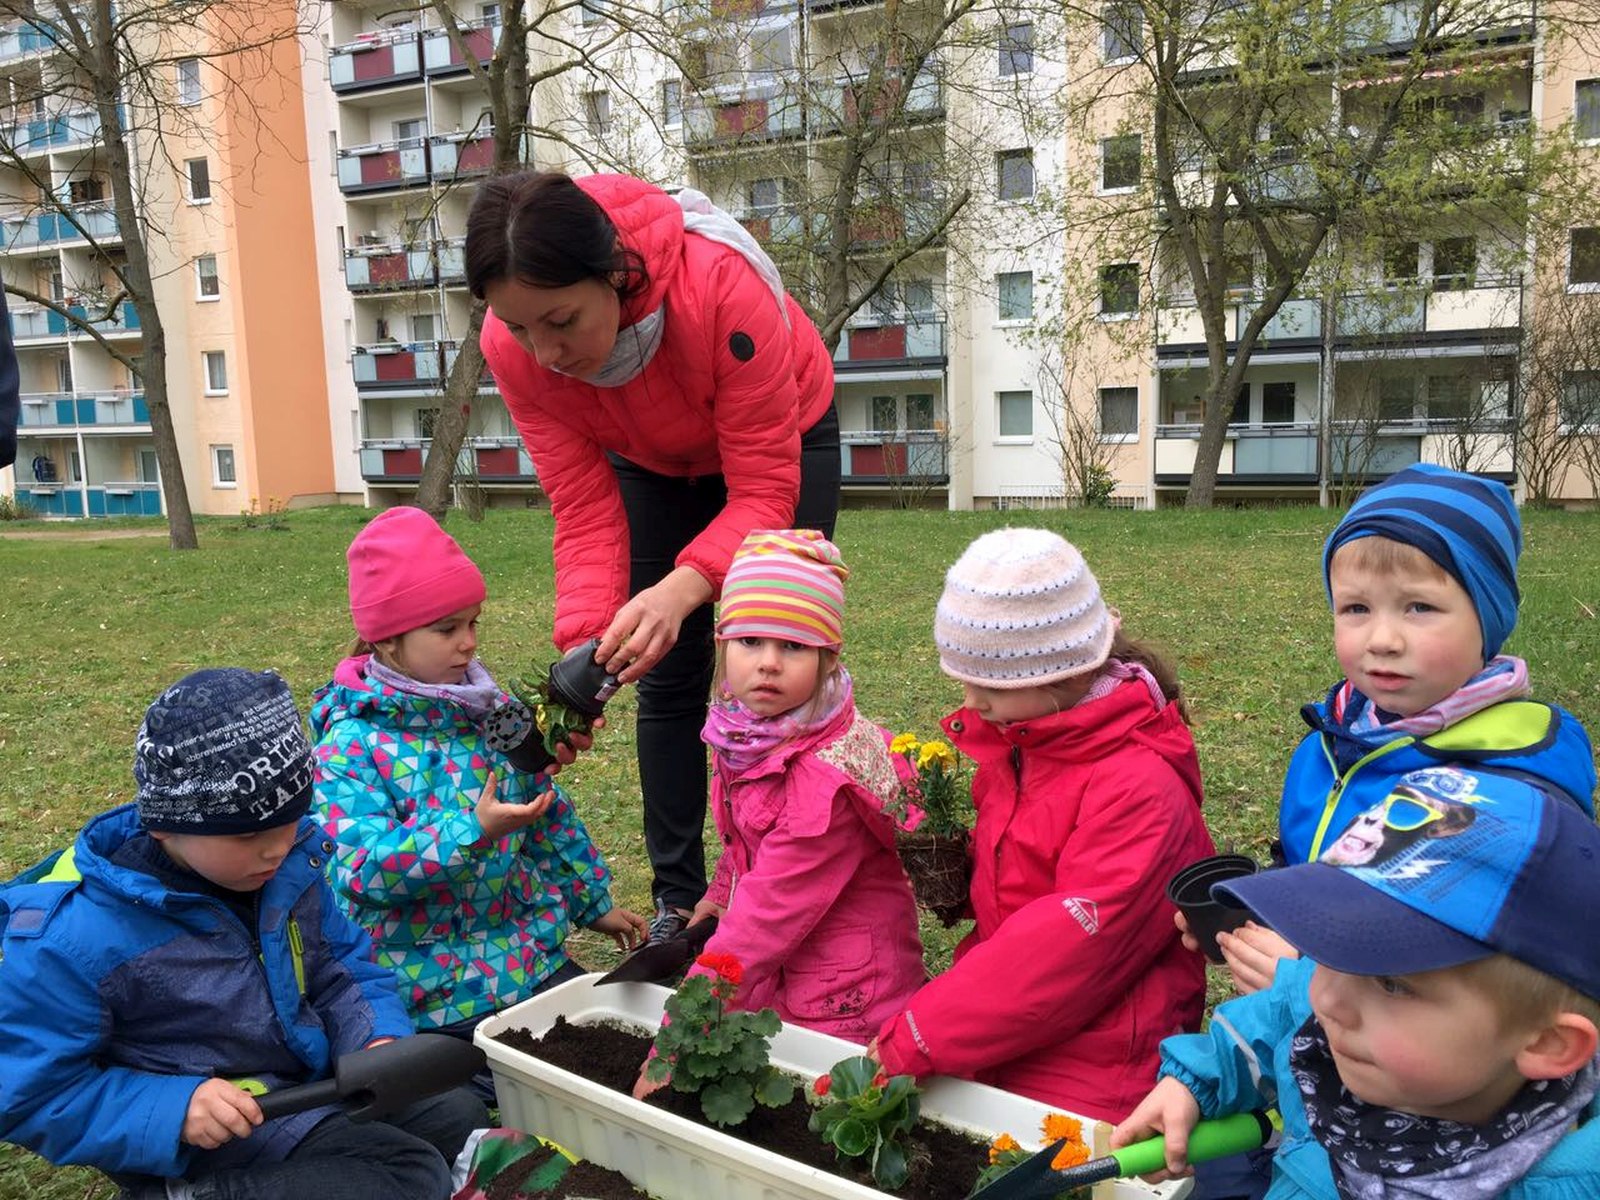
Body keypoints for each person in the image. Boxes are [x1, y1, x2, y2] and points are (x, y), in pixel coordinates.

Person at [465, 171, 840, 945]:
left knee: (779, 662)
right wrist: (587, 652)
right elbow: (584, 505)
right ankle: (682, 902)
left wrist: (683, 588)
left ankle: (784, 884)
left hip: (783, 441)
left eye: (560, 320)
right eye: (520, 327)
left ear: (614, 274)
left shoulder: (721, 289)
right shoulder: (515, 349)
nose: (544, 351)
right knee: (664, 677)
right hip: (653, 460)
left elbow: (765, 492)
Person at [0, 668, 487, 1200]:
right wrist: (173, 1111)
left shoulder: (288, 870)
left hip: (310, 1084)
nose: (277, 848)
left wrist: (375, 1040)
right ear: (164, 824)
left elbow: (341, 968)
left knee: (456, 1114)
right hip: (215, 1130)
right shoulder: (73, 938)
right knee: (407, 1174)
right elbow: (32, 1093)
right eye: (250, 834)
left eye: (293, 819)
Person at [1115, 765, 1600, 1199]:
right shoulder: (1331, 1021)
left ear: (1548, 1043)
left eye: (1391, 984)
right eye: (1331, 953)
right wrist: (1192, 1085)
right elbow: (1271, 1015)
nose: (1326, 1000)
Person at [870, 528, 1217, 1122]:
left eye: (989, 684)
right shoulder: (1024, 744)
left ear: (1056, 677)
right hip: (1019, 1022)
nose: (970, 701)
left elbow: (1065, 950)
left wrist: (919, 1036)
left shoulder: (1138, 787)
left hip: (1107, 1054)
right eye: (964, 678)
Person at [1212, 465, 1596, 999]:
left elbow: (1477, 996)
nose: (1383, 639)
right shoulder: (1332, 740)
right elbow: (1305, 860)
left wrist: (1304, 980)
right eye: (1356, 608)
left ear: (1488, 618)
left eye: (1419, 607)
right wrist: (1255, 908)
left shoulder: (1503, 789)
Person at [310, 507, 646, 1084]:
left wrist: (593, 904)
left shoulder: (490, 717)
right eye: (446, 629)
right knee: (467, 1104)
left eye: (474, 623)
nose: (467, 644)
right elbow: (362, 872)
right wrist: (474, 831)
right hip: (421, 987)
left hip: (522, 959)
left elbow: (545, 816)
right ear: (387, 640)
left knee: (614, 1067)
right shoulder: (350, 746)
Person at [633, 531, 922, 1086]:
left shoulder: (824, 779)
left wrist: (677, 1037)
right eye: (750, 642)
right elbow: (747, 837)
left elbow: (765, 922)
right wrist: (719, 895)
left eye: (792, 646)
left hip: (843, 995)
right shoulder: (749, 732)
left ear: (828, 657)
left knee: (819, 1108)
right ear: (721, 645)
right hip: (782, 967)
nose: (767, 664)